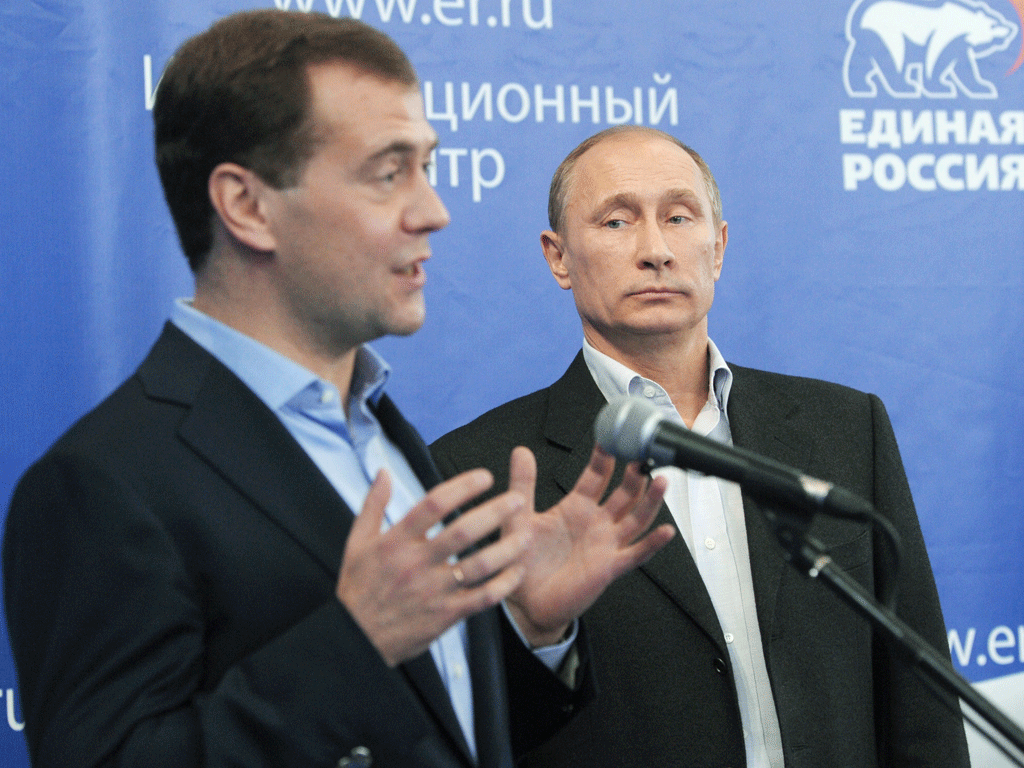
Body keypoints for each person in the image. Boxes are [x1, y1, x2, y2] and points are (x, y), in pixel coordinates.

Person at [2, 15, 675, 768]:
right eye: (389, 173)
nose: (433, 211)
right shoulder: (99, 484)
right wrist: (357, 642)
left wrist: (527, 629)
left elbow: (433, 736)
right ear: (248, 206)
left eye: (427, 167)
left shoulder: (389, 440)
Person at [430, 125, 972, 768]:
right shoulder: (480, 469)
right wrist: (539, 637)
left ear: (717, 248)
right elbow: (468, 731)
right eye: (616, 222)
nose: (656, 249)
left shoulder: (845, 429)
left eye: (679, 217)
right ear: (558, 258)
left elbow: (920, 711)